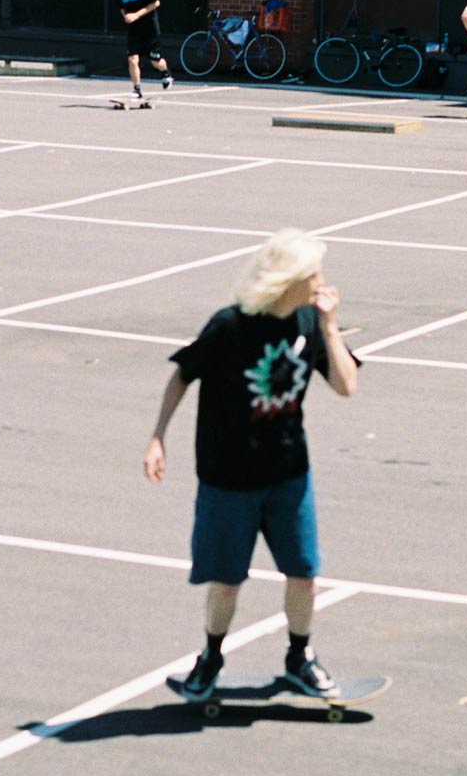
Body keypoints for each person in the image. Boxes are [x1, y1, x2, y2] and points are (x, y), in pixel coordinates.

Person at [144, 229, 361, 701]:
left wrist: (329, 326)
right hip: (228, 480)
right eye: (314, 275)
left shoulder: (309, 324)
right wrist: (158, 436)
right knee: (227, 581)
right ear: (290, 279)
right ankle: (210, 659)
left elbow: (347, 386)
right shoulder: (230, 327)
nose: (323, 282)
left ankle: (299, 658)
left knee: (304, 572)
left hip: (288, 477)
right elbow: (182, 375)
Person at [112, 0, 174, 103]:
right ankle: (137, 89)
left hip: (150, 29)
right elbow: (122, 8)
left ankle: (166, 73)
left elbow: (156, 3)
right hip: (134, 31)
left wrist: (137, 15)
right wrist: (127, 17)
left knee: (156, 61)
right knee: (132, 60)